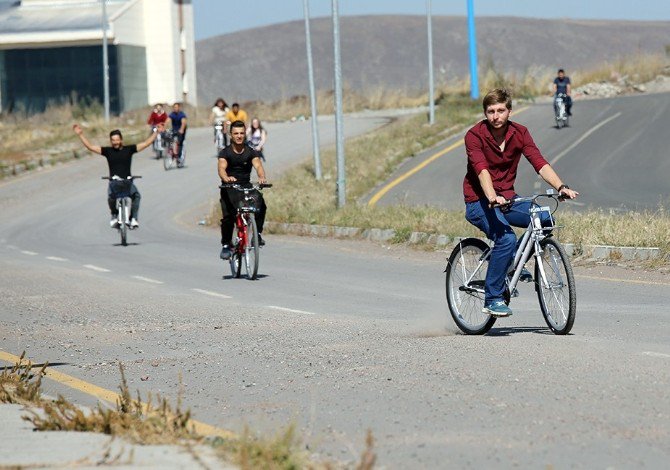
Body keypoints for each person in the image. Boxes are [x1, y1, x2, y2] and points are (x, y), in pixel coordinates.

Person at [463, 88, 579, 317]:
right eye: (490, 111)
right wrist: (491, 196)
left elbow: (539, 162)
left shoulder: (520, 133)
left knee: (545, 219)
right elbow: (481, 170)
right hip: (480, 201)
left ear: (509, 111)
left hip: (508, 198)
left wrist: (561, 187)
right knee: (506, 238)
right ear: (485, 113)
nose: (496, 116)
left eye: (501, 110)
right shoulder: (474, 135)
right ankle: (493, 297)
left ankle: (512, 264)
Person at [72, 123, 164, 229]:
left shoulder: (129, 149)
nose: (115, 142)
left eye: (117, 140)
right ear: (111, 141)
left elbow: (146, 143)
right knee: (111, 198)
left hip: (127, 182)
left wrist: (156, 132)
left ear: (121, 140)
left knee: (136, 196)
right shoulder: (107, 151)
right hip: (114, 182)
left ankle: (133, 218)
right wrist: (80, 135)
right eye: (113, 140)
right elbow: (90, 147)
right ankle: (114, 214)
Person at [218, 120, 268, 260]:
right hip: (229, 187)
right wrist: (226, 178)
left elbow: (258, 166)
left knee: (261, 206)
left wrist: (262, 177)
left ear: (244, 134)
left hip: (246, 185)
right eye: (236, 133)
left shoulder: (250, 152)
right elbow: (221, 169)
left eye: (241, 133)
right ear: (230, 135)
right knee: (228, 217)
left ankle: (256, 235)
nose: (239, 136)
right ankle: (226, 245)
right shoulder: (225, 152)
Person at [168, 102, 187, 167]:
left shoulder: (181, 114)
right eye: (174, 107)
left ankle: (179, 157)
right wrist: (163, 128)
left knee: (179, 143)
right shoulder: (172, 114)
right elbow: (167, 120)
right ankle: (171, 153)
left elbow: (183, 123)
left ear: (179, 108)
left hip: (181, 131)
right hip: (174, 130)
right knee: (169, 140)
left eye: (176, 107)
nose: (175, 108)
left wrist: (181, 129)